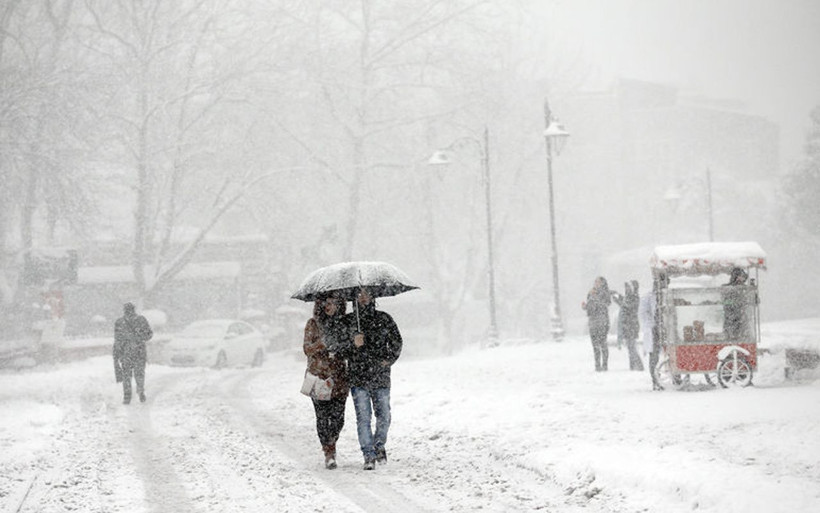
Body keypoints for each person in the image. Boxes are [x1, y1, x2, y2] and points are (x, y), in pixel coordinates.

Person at [344, 288, 403, 470]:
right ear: (354, 298)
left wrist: (388, 360)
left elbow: (396, 341)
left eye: (367, 294)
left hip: (380, 376)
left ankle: (379, 446)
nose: (363, 297)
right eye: (360, 294)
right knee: (364, 418)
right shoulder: (349, 321)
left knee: (384, 415)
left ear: (373, 297)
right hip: (358, 377)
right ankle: (368, 454)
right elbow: (340, 349)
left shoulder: (384, 319)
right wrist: (353, 344)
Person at [303, 294, 351, 470]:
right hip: (319, 377)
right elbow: (307, 349)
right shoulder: (313, 324)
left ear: (340, 304)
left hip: (338, 379)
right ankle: (329, 452)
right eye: (325, 303)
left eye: (333, 303)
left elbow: (349, 350)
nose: (328, 306)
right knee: (323, 418)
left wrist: (341, 349)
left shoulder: (344, 324)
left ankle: (331, 442)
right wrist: (322, 344)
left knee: (338, 419)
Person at [113, 302, 153, 404]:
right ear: (134, 309)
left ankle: (127, 396)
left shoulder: (119, 322)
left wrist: (117, 354)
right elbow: (149, 335)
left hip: (125, 353)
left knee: (127, 375)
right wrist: (140, 336)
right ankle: (140, 391)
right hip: (139, 352)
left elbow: (117, 339)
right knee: (139, 374)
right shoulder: (141, 320)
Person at [582, 277, 611, 371]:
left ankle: (605, 365)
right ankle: (597, 365)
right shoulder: (591, 293)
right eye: (595, 282)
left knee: (603, 344)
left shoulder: (605, 293)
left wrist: (596, 298)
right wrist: (585, 306)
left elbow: (606, 304)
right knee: (595, 345)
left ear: (603, 283)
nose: (596, 283)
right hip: (593, 322)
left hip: (602, 322)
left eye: (598, 282)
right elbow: (591, 307)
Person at [615, 281, 643, 371]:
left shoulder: (635, 298)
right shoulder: (628, 298)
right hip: (627, 326)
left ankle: (639, 366)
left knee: (632, 348)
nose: (626, 289)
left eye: (628, 287)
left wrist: (619, 300)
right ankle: (633, 366)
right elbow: (624, 305)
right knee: (630, 348)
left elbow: (628, 307)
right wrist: (618, 297)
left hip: (632, 326)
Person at [639, 285, 663, 390]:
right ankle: (655, 380)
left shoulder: (665, 294)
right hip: (653, 330)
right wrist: (653, 324)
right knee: (654, 356)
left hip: (665, 328)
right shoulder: (647, 297)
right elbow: (643, 314)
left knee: (670, 354)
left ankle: (676, 377)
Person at [722, 267, 750, 340]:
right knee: (731, 338)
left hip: (742, 319)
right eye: (740, 276)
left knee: (742, 338)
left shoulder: (746, 289)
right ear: (735, 276)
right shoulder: (728, 288)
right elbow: (725, 302)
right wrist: (736, 302)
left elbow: (752, 300)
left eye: (743, 277)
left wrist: (754, 298)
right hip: (731, 319)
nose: (742, 279)